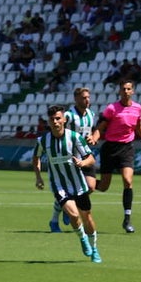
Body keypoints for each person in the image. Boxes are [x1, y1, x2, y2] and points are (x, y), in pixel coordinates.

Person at [34, 104, 102, 263]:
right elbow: (35, 158)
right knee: (73, 214)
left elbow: (91, 158)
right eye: (52, 119)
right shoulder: (43, 141)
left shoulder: (74, 137)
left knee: (87, 217)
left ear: (64, 119)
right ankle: (83, 239)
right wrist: (38, 177)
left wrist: (82, 164)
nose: (55, 122)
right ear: (48, 122)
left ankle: (94, 248)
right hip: (59, 185)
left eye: (58, 118)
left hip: (79, 184)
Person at [88, 80, 141, 232]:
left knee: (127, 180)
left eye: (128, 89)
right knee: (104, 186)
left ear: (132, 91)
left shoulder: (137, 108)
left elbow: (138, 125)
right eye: (123, 89)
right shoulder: (112, 109)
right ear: (119, 91)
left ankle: (127, 220)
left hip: (127, 148)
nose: (126, 91)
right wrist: (94, 137)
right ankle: (84, 187)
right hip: (110, 149)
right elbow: (100, 127)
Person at [50, 86, 98, 231]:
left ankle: (68, 208)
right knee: (66, 191)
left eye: (88, 97)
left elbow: (93, 130)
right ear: (76, 99)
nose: (87, 100)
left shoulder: (91, 114)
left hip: (85, 156)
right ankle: (54, 220)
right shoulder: (69, 116)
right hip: (70, 159)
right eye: (84, 97)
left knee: (90, 187)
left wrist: (92, 137)